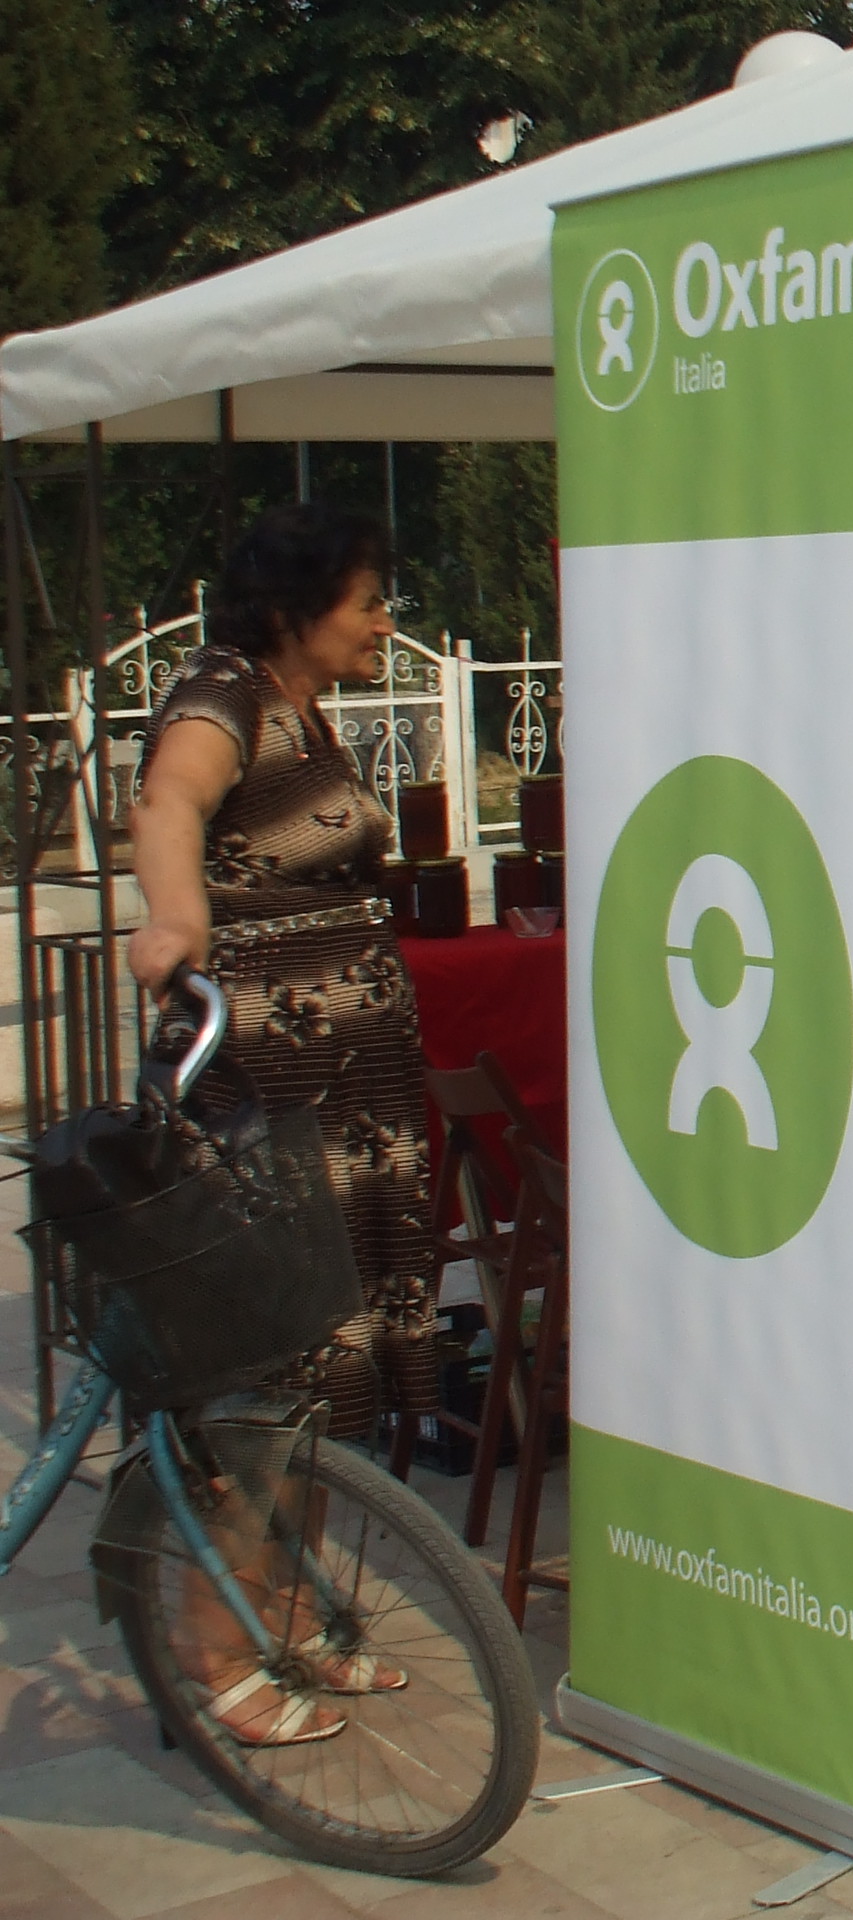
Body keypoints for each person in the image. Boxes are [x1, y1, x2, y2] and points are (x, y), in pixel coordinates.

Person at [127, 504, 440, 1748]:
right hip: (268, 1081)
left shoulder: (301, 708)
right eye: (365, 602)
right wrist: (172, 921)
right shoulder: (223, 694)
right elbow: (167, 800)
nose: (382, 624)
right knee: (269, 1365)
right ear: (290, 608)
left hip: (348, 1090)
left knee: (329, 1354)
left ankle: (292, 1625)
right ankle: (218, 1654)